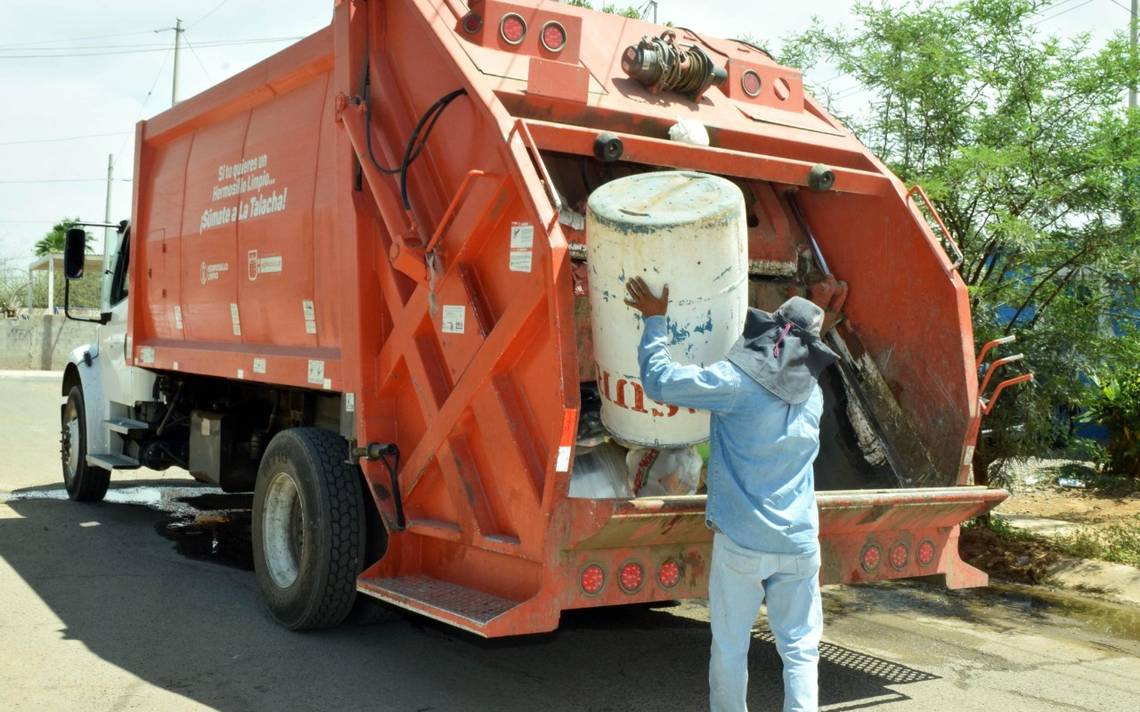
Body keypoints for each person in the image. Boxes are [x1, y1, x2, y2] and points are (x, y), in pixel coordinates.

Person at [623, 276, 837, 712]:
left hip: (743, 541)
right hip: (799, 543)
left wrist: (655, 320)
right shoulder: (813, 395)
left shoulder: (735, 382)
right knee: (800, 649)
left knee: (730, 645)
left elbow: (661, 381)